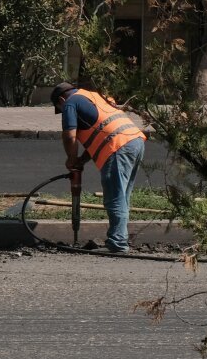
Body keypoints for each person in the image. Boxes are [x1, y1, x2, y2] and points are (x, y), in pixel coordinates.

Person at [51, 81, 147, 253]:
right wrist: (82, 160)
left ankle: (117, 244)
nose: (62, 111)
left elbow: (69, 136)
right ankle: (119, 238)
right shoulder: (95, 96)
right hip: (135, 140)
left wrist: (71, 159)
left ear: (61, 99)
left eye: (59, 107)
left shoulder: (70, 104)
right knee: (122, 195)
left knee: (115, 197)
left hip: (118, 146)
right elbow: (102, 131)